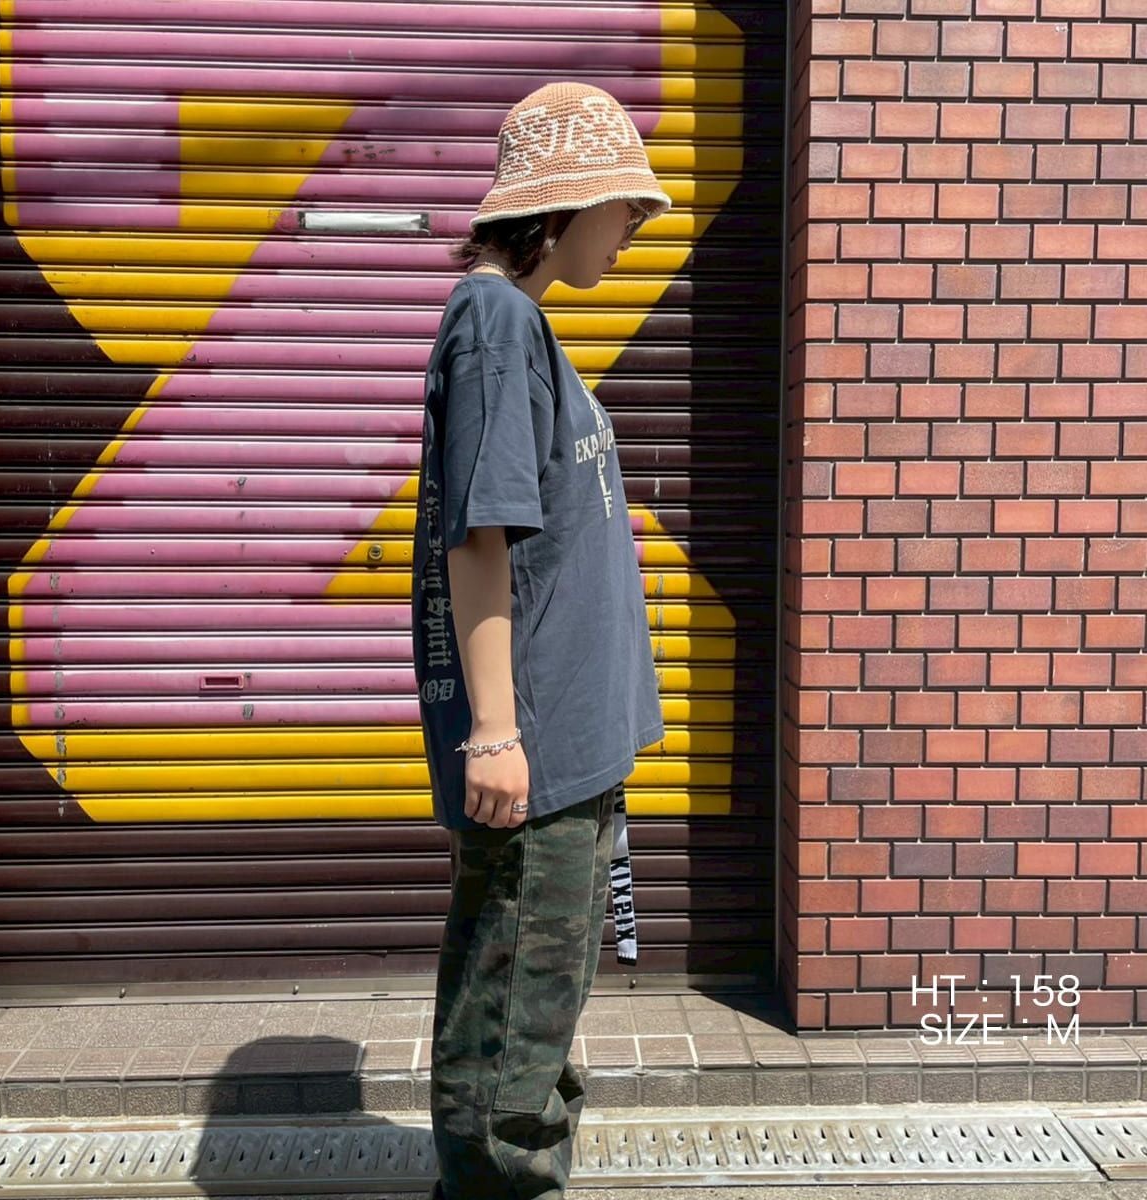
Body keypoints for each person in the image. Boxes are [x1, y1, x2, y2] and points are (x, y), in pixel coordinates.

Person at [410, 80, 671, 1200]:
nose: (639, 224)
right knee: (510, 1056)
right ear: (562, 206)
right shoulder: (497, 323)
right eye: (627, 204)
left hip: (569, 754)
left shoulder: (519, 324)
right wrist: (495, 733)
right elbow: (480, 535)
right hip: (539, 758)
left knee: (536, 1024)